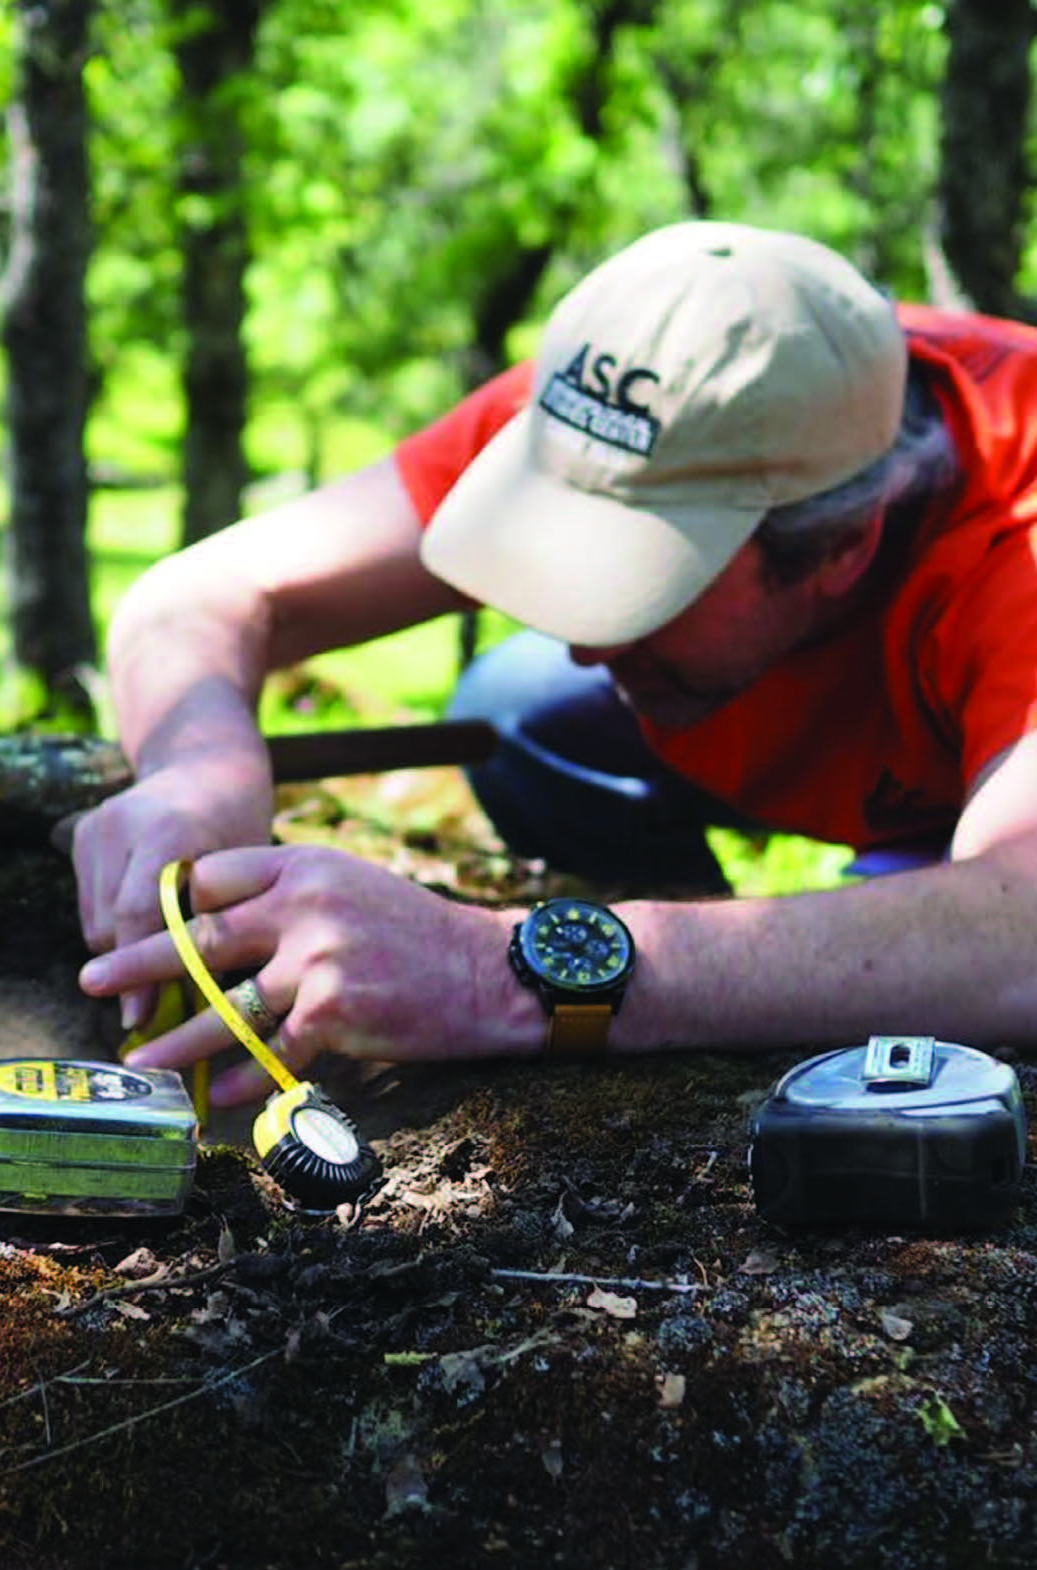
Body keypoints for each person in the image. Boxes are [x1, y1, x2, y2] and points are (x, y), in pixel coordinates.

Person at [75, 218, 1037, 1107]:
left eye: (651, 584)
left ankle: (879, 905)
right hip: (898, 739)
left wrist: (501, 971)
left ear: (843, 546)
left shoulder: (1006, 525)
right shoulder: (638, 403)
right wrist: (200, 769)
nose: (589, 641)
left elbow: (1019, 933)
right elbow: (196, 594)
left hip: (1002, 793)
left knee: (955, 973)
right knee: (528, 703)